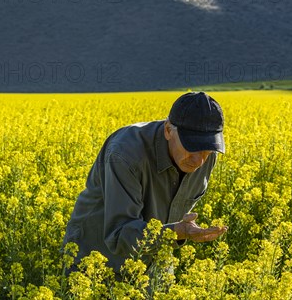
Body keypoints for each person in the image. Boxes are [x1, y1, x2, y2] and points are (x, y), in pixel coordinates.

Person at [62, 91, 228, 273]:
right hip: (96, 263)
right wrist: (178, 231)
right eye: (191, 147)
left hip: (153, 265)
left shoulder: (207, 157)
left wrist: (179, 231)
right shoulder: (125, 154)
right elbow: (119, 233)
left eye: (207, 150)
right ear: (168, 130)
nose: (199, 161)